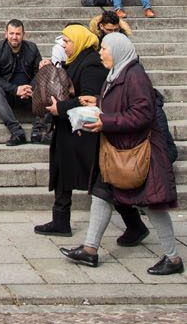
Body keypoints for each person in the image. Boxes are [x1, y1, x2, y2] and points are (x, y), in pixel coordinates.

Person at [60, 35, 183, 274]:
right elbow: (121, 104)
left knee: (153, 205)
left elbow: (142, 114)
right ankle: (90, 249)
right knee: (101, 194)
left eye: (104, 49)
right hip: (118, 151)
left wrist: (105, 121)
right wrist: (96, 104)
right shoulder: (117, 73)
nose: (101, 53)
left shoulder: (135, 76)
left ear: (117, 50)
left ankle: (174, 258)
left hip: (139, 153)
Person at [35, 24, 145, 241]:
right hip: (70, 130)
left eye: (67, 41)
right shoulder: (76, 60)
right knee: (62, 172)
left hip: (85, 133)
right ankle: (60, 219)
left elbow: (91, 98)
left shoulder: (91, 62)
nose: (64, 46)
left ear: (79, 40)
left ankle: (135, 224)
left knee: (102, 181)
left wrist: (61, 108)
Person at [0, 19, 43, 146]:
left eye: (18, 34)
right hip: (8, 95)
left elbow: (38, 73)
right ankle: (17, 132)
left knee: (47, 78)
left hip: (29, 95)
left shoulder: (32, 48)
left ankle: (38, 130)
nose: (14, 37)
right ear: (5, 34)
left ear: (23, 34)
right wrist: (15, 89)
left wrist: (30, 88)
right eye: (11, 33)